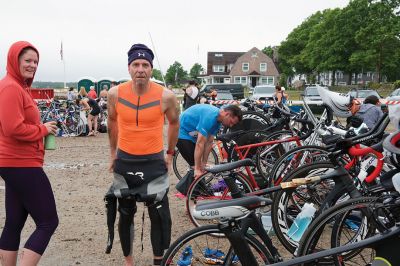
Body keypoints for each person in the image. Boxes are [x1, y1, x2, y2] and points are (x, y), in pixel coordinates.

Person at [105, 43, 179, 266]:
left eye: (145, 64)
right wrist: (112, 153)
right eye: (135, 64)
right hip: (126, 159)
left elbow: (175, 123)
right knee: (125, 213)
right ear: (129, 68)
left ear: (151, 69)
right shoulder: (115, 94)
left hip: (153, 160)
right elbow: (112, 121)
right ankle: (129, 262)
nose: (140, 69)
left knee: (159, 214)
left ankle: (158, 261)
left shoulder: (166, 96)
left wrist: (169, 154)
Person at [0, 41, 59, 265]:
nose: (32, 65)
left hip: (15, 163)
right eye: (27, 60)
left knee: (14, 222)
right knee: (48, 222)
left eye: (35, 61)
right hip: (20, 163)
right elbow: (12, 128)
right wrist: (42, 129)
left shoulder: (18, 87)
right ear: (15, 60)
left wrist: (41, 127)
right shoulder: (10, 87)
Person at [177, 104, 242, 178]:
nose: (230, 126)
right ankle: (186, 189)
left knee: (199, 169)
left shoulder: (218, 122)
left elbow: (209, 142)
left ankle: (192, 188)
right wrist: (198, 168)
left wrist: (204, 163)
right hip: (181, 132)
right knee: (195, 168)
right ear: (227, 114)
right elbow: (200, 144)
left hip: (191, 133)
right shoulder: (210, 116)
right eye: (231, 122)